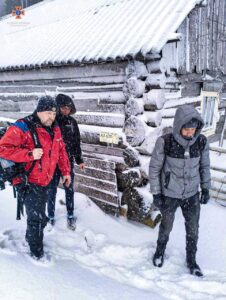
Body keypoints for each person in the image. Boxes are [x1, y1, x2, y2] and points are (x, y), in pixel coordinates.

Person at [0, 96, 71, 259]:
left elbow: (61, 152)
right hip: (27, 181)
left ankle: (30, 238)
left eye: (54, 113)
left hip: (45, 180)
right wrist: (29, 154)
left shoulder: (55, 128)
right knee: (37, 219)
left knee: (39, 217)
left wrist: (66, 172)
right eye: (48, 113)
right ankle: (36, 254)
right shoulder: (23, 127)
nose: (51, 117)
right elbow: (2, 149)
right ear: (39, 111)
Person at [149, 105, 211, 277]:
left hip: (192, 195)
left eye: (193, 129)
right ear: (178, 127)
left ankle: (191, 261)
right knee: (166, 226)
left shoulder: (201, 142)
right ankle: (160, 251)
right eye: (186, 129)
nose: (190, 133)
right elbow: (154, 168)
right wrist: (156, 193)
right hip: (170, 194)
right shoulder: (166, 142)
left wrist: (206, 187)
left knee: (193, 229)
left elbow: (204, 166)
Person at [47, 94, 85, 230]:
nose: (66, 110)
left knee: (69, 190)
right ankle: (50, 216)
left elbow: (76, 142)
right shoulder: (51, 122)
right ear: (57, 107)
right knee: (51, 190)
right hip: (52, 164)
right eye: (63, 107)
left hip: (68, 162)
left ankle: (70, 215)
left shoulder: (72, 123)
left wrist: (79, 160)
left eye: (68, 108)